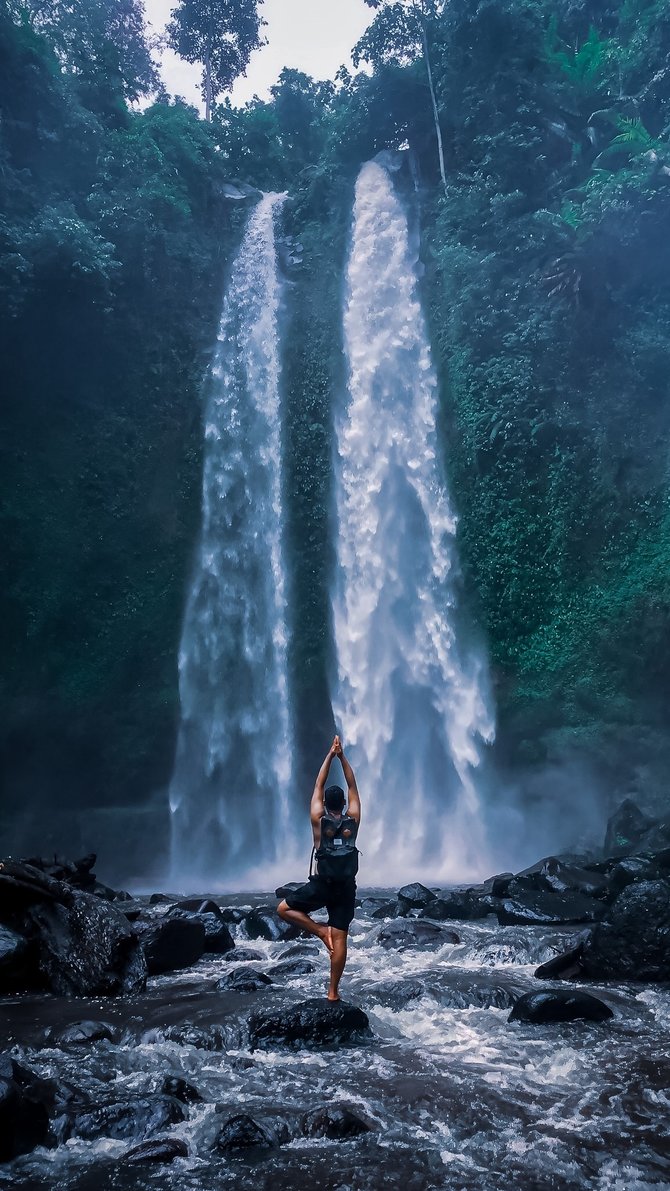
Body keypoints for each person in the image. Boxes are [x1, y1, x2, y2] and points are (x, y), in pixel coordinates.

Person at [277, 735, 361, 1001]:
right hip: (346, 887)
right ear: (344, 804)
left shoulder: (318, 820)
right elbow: (352, 784)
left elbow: (318, 784)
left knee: (284, 909)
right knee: (341, 940)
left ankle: (318, 930)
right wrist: (343, 757)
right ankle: (333, 992)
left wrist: (330, 754)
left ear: (325, 804)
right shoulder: (354, 819)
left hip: (321, 885)